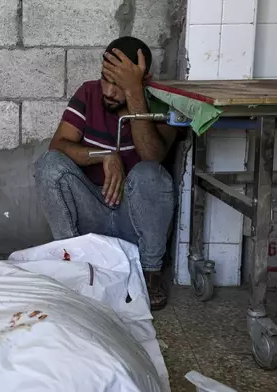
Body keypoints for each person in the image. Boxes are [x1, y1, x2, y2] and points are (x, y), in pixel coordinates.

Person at [34, 36, 177, 310]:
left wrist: (134, 94)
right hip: (93, 212)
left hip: (133, 221)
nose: (109, 91)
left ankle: (150, 274)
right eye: (105, 79)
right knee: (49, 165)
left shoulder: (159, 102)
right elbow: (59, 146)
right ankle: (72, 263)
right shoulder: (88, 93)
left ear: (143, 80)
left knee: (151, 174)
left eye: (119, 84)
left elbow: (153, 156)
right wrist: (103, 156)